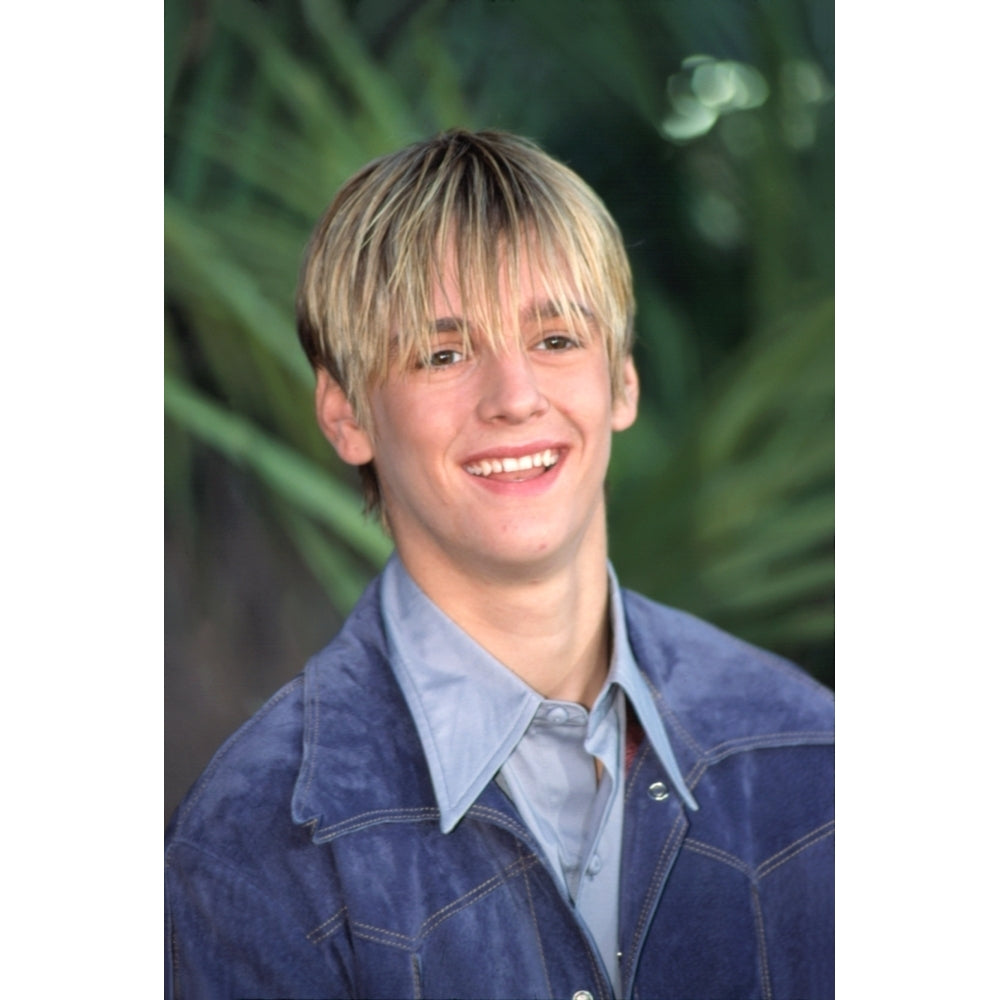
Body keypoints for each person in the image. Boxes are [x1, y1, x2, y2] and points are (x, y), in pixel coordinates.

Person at [165, 129, 834, 1000]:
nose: (516, 398)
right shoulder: (252, 847)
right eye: (444, 354)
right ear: (346, 413)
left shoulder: (809, 752)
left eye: (556, 339)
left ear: (621, 381)